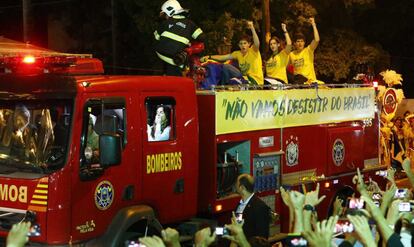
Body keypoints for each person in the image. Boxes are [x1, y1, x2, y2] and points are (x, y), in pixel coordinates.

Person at [201, 21, 264, 85]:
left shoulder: (253, 51)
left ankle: (232, 84)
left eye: (245, 43)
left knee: (233, 81)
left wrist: (252, 28)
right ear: (239, 45)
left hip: (255, 80)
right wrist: (209, 56)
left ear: (249, 44)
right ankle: (224, 87)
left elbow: (257, 43)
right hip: (244, 77)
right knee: (226, 67)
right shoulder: (237, 53)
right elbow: (223, 57)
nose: (243, 45)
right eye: (241, 44)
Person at [154, 0, 204, 76]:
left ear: (170, 11)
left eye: (165, 15)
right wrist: (189, 46)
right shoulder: (191, 24)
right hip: (177, 59)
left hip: (161, 54)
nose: (165, 17)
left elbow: (156, 37)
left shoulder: (164, 23)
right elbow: (202, 37)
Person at [234, 174, 270, 239]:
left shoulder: (260, 207)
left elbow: (262, 237)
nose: (235, 186)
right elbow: (238, 223)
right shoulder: (240, 205)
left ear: (242, 188)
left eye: (236, 184)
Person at [288, 17, 320, 84]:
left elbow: (317, 40)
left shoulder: (308, 50)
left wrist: (313, 24)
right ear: (294, 43)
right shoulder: (291, 54)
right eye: (298, 41)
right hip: (298, 83)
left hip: (309, 82)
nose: (300, 43)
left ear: (304, 43)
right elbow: (284, 66)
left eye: (302, 41)